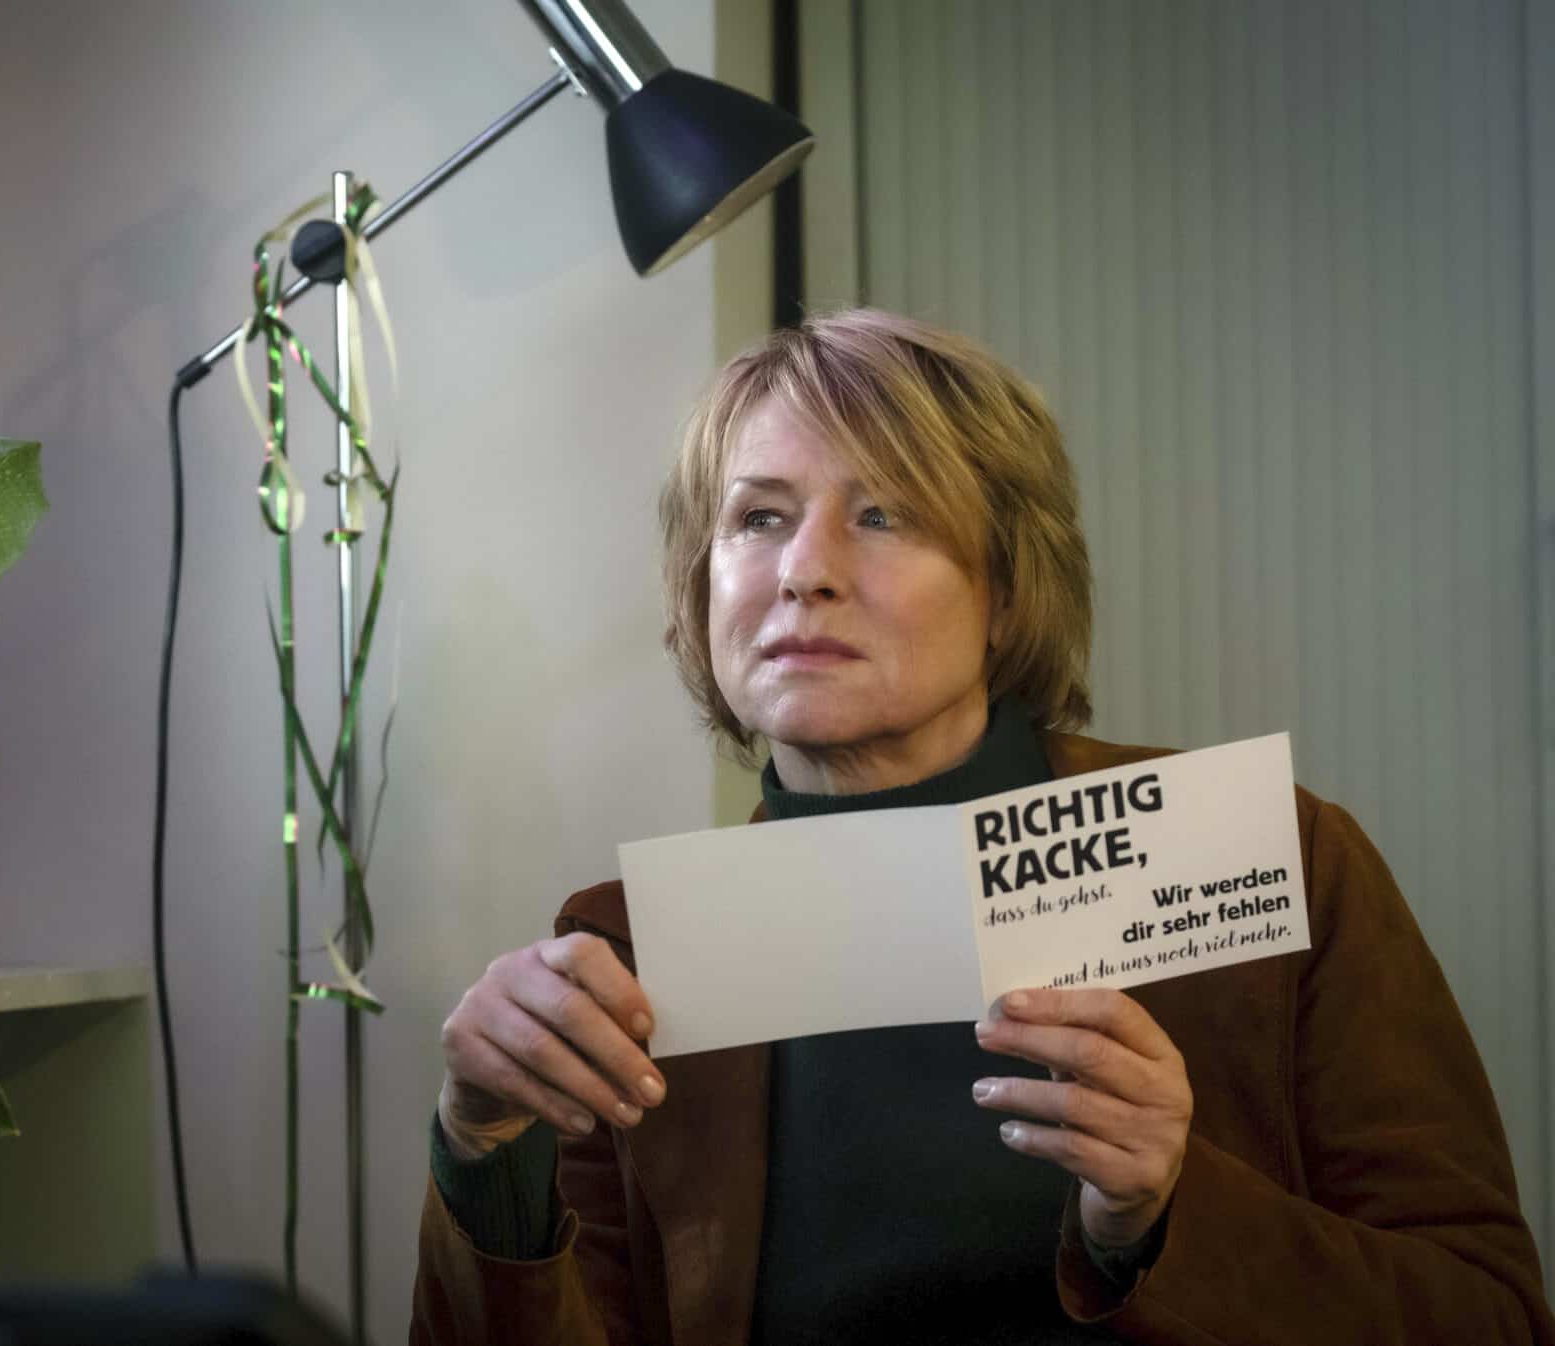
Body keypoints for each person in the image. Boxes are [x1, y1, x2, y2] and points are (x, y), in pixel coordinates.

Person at [407, 309, 1555, 1344]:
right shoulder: (626, 957)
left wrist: (1166, 1212)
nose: (803, 570)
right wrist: (482, 1155)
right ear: (700, 583)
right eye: (757, 518)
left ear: (1005, 586)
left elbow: (1487, 1313)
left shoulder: (1277, 858)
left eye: (882, 513)